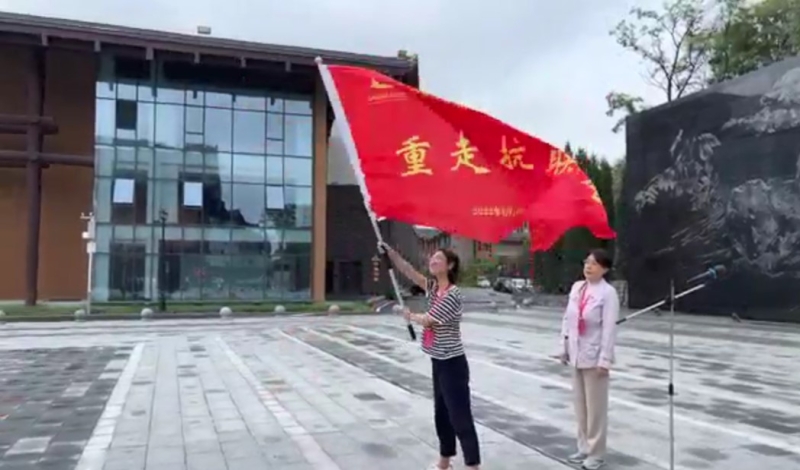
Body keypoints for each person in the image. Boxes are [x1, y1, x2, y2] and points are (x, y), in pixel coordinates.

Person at [381, 243, 481, 470]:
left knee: (459, 416)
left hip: (453, 364)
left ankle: (473, 465)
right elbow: (410, 272)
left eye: (438, 259)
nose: (433, 261)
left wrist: (408, 315)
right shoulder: (435, 288)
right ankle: (444, 462)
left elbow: (429, 320)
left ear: (450, 265)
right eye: (432, 258)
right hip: (438, 360)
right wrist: (391, 254)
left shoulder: (453, 294)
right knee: (441, 415)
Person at [558, 248, 619, 470]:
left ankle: (596, 453)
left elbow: (609, 329)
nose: (588, 267)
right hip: (576, 353)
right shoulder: (578, 287)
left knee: (596, 409)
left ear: (604, 269)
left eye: (594, 263)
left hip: (595, 358)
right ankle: (583, 447)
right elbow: (567, 319)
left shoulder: (608, 293)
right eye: (587, 262)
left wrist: (605, 360)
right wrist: (564, 347)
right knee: (580, 406)